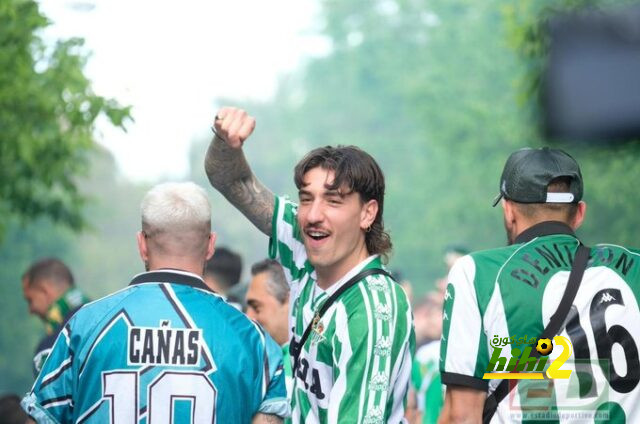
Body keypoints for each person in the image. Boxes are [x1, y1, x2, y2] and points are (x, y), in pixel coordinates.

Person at [205, 107, 414, 423]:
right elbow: (229, 178)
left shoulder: (371, 308)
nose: (313, 214)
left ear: (367, 214)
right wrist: (224, 140)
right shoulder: (302, 243)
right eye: (306, 198)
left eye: (334, 200)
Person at [22, 182, 288, 423]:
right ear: (210, 246)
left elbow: (41, 416)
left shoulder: (83, 326)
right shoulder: (254, 341)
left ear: (142, 244)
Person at [439, 147, 640, 422]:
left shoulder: (478, 273)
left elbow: (461, 415)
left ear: (509, 211)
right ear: (579, 213)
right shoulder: (635, 267)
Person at [21, 258, 90, 375]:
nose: (30, 310)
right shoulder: (110, 322)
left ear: (44, 291)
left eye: (30, 300)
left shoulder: (50, 349)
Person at [246, 259, 293, 409]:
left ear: (288, 300)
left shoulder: (312, 362)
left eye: (256, 307)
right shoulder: (263, 359)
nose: (249, 316)